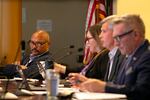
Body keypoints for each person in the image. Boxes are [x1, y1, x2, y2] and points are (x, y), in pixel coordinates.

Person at [77, 14, 150, 100]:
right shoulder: (129, 56)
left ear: (136, 35)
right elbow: (118, 84)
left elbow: (142, 92)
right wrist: (92, 83)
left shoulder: (146, 57)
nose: (116, 43)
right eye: (115, 38)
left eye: (119, 37)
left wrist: (104, 87)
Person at [69, 15, 124, 85]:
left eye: (104, 31)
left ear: (115, 32)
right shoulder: (112, 54)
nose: (100, 36)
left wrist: (87, 81)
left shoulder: (123, 55)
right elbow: (109, 83)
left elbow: (118, 86)